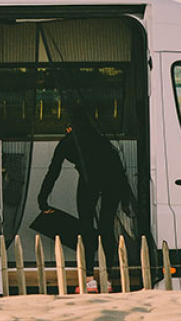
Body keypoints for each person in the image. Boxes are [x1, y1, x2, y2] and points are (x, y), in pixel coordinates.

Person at [37, 105, 133, 274]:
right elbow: (118, 170)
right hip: (112, 181)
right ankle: (107, 272)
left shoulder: (67, 142)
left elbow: (53, 172)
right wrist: (126, 200)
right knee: (106, 226)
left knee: (86, 227)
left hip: (90, 182)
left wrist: (42, 199)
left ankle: (89, 273)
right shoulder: (100, 139)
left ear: (70, 126)